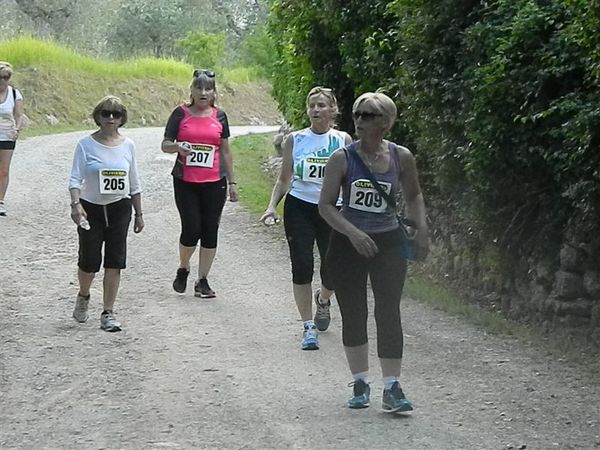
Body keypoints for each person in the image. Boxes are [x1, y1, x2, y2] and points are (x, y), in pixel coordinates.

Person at [319, 92, 429, 412]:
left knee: (388, 311)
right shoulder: (342, 158)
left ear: (386, 122)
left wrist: (421, 230)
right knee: (354, 312)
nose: (360, 120)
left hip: (388, 242)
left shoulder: (401, 156)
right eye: (357, 114)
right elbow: (325, 206)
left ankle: (392, 387)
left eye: (368, 115)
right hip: (347, 244)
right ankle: (360, 382)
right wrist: (353, 233)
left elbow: (414, 195)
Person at [260, 87, 352, 350]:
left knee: (333, 268)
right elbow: (284, 178)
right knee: (301, 265)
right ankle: (307, 326)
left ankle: (323, 301)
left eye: (321, 105)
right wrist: (270, 207)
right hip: (300, 206)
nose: (315, 110)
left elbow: (349, 180)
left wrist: (352, 211)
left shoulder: (342, 140)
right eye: (312, 105)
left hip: (332, 209)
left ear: (333, 109)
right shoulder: (296, 140)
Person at [68, 96, 144, 332]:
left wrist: (139, 213)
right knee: (89, 262)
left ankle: (108, 312)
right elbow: (74, 178)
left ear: (122, 118)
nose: (111, 118)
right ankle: (83, 294)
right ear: (98, 116)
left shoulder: (128, 145)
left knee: (115, 261)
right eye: (106, 113)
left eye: (116, 114)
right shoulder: (85, 145)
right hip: (91, 208)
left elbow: (134, 182)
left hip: (120, 208)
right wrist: (75, 204)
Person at [161, 69, 238, 298]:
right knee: (191, 228)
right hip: (186, 181)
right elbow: (165, 144)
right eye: (199, 88)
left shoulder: (220, 116)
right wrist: (178, 147)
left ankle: (202, 280)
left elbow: (225, 150)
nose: (203, 93)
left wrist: (232, 182)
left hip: (215, 182)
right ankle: (184, 267)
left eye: (208, 88)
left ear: (214, 92)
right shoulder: (180, 114)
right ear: (192, 90)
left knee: (210, 231)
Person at [0, 61, 25, 216]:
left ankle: (0, 201)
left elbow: (19, 114)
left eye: (6, 77)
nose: (3, 80)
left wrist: (17, 128)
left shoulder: (15, 94)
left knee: (3, 170)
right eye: (0, 77)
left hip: (7, 135)